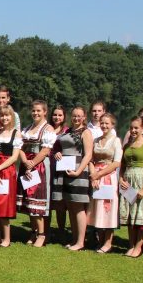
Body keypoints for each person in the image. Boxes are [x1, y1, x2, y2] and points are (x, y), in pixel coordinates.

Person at [51, 106, 94, 251]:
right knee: (70, 206)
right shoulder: (68, 131)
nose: (76, 118)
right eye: (74, 116)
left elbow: (88, 155)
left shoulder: (86, 132)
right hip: (65, 170)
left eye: (79, 116)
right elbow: (58, 146)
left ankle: (81, 242)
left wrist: (78, 171)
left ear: (84, 117)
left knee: (78, 207)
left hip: (78, 172)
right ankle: (75, 239)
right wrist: (57, 153)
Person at [119, 116, 143, 257]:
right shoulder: (127, 146)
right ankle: (130, 245)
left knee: (141, 216)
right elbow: (122, 166)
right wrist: (120, 179)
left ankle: (138, 247)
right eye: (131, 128)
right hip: (128, 182)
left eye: (136, 128)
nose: (133, 130)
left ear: (142, 128)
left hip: (141, 180)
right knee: (131, 215)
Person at [18, 101, 55, 247]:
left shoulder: (48, 129)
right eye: (33, 111)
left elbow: (46, 150)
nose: (35, 113)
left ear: (45, 112)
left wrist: (32, 163)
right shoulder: (27, 128)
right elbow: (19, 146)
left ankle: (41, 234)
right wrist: (25, 161)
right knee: (28, 200)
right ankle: (33, 232)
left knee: (36, 200)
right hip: (26, 165)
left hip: (39, 167)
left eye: (39, 111)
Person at [0, 107, 22, 247]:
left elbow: (14, 157)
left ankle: (6, 238)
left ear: (12, 117)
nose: (4, 118)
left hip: (7, 171)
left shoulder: (16, 134)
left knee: (4, 204)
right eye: (2, 116)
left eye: (7, 116)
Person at [87, 113, 122, 253]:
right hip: (95, 177)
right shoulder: (96, 140)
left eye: (107, 123)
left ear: (112, 125)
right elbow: (90, 159)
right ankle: (100, 241)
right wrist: (93, 176)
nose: (104, 126)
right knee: (97, 209)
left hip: (108, 178)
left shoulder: (116, 141)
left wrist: (99, 174)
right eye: (102, 123)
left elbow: (116, 163)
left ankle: (108, 243)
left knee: (108, 209)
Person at [47, 105, 69, 240]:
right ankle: (46, 230)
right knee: (47, 200)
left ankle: (61, 230)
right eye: (55, 114)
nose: (57, 117)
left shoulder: (67, 131)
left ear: (64, 117)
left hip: (60, 168)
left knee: (60, 201)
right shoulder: (47, 129)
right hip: (46, 165)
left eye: (60, 115)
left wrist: (62, 153)